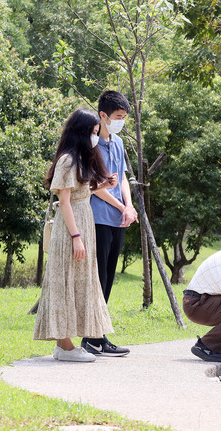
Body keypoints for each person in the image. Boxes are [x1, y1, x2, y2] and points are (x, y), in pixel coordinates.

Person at [33, 108, 119, 362]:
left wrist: (100, 186)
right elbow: (65, 201)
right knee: (65, 282)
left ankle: (67, 344)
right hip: (72, 228)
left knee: (78, 281)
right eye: (93, 132)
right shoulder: (68, 160)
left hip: (83, 222)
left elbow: (81, 194)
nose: (96, 137)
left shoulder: (80, 159)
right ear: (82, 132)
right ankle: (65, 345)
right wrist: (76, 237)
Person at [81, 91, 137, 357]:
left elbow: (123, 178)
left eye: (124, 117)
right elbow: (93, 187)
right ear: (102, 116)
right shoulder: (89, 145)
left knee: (110, 277)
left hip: (118, 219)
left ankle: (98, 335)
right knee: (98, 277)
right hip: (98, 218)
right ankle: (92, 337)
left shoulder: (118, 143)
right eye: (117, 117)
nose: (121, 121)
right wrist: (120, 206)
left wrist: (129, 205)